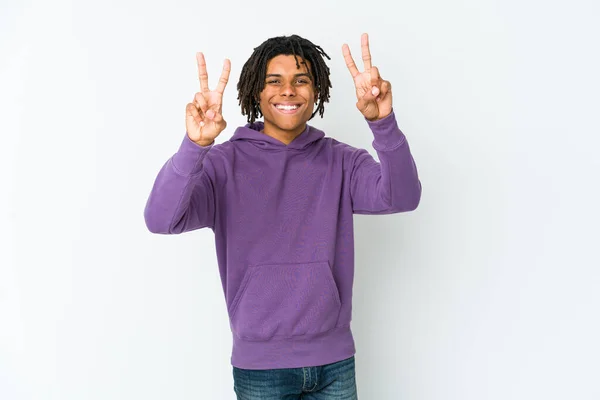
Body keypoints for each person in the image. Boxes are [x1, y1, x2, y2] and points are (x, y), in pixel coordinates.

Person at [144, 33, 421, 399]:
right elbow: (161, 219)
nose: (288, 91)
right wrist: (195, 146)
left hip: (334, 361)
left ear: (317, 91)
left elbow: (403, 196)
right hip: (260, 369)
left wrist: (383, 123)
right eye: (274, 81)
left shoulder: (341, 161)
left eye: (301, 80)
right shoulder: (222, 165)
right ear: (255, 93)